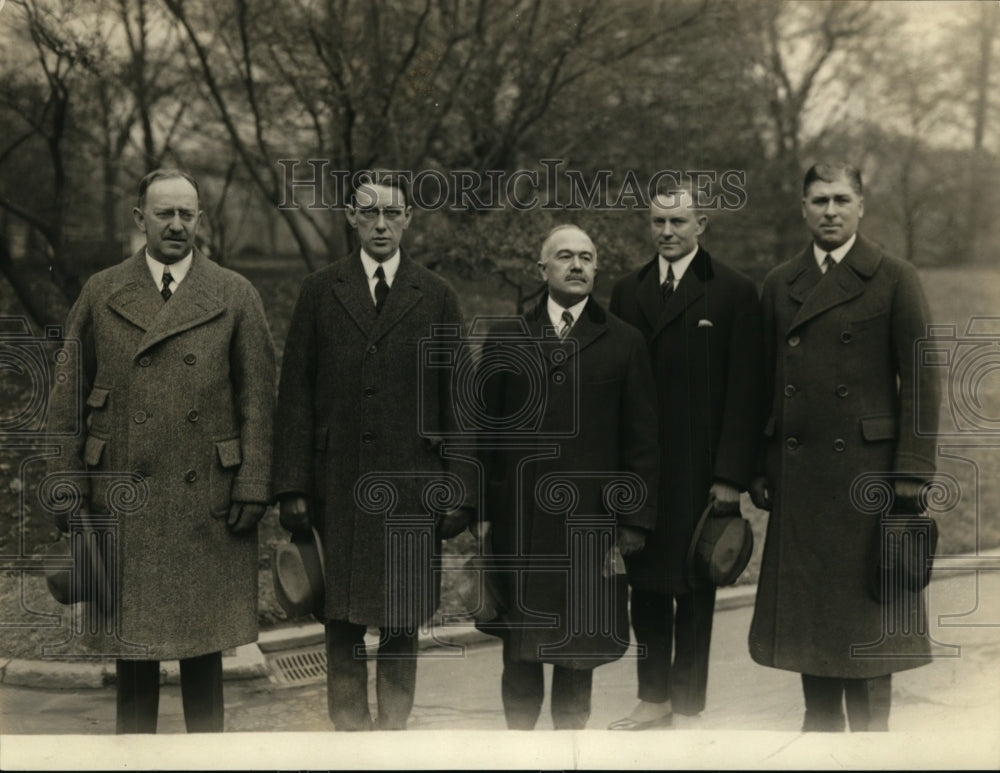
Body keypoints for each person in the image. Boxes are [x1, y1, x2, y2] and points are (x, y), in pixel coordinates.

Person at [45, 168, 276, 733]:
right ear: (139, 219)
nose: (177, 225)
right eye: (164, 213)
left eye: (187, 214)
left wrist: (253, 484)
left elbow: (259, 402)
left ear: (200, 219)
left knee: (205, 661)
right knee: (134, 659)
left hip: (209, 504)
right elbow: (67, 396)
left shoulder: (235, 293)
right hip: (123, 501)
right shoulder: (102, 292)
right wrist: (67, 486)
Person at [273, 170, 475, 731]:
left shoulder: (434, 295)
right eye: (370, 213)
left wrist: (459, 489)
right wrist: (291, 486)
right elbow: (294, 396)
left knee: (402, 622)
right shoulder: (320, 291)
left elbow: (460, 399)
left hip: (412, 487)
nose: (381, 224)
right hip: (335, 484)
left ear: (409, 218)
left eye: (393, 213)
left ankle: (392, 738)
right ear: (352, 218)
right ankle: (351, 739)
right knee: (339, 622)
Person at [747, 162, 940, 732]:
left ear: (861, 206)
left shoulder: (894, 276)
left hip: (870, 477)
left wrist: (912, 469)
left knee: (869, 615)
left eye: (840, 199)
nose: (829, 211)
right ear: (802, 209)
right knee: (814, 622)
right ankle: (821, 731)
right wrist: (761, 461)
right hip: (802, 478)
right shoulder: (781, 283)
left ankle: (873, 739)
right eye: (818, 200)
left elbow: (922, 378)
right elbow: (763, 382)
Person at [478, 224, 660, 730]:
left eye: (586, 257)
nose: (576, 265)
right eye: (564, 256)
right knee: (519, 659)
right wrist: (483, 513)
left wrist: (634, 522)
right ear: (543, 270)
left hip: (588, 529)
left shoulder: (624, 342)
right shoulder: (506, 339)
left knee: (576, 660)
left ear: (597, 269)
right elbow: (484, 437)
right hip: (520, 530)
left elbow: (642, 442)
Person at [607, 187, 764, 730]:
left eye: (678, 220)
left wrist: (729, 476)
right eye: (657, 221)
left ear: (704, 225)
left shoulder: (735, 292)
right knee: (645, 586)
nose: (667, 231)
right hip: (642, 470)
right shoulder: (627, 290)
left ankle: (689, 703)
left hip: (701, 471)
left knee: (696, 587)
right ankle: (652, 698)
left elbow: (747, 390)